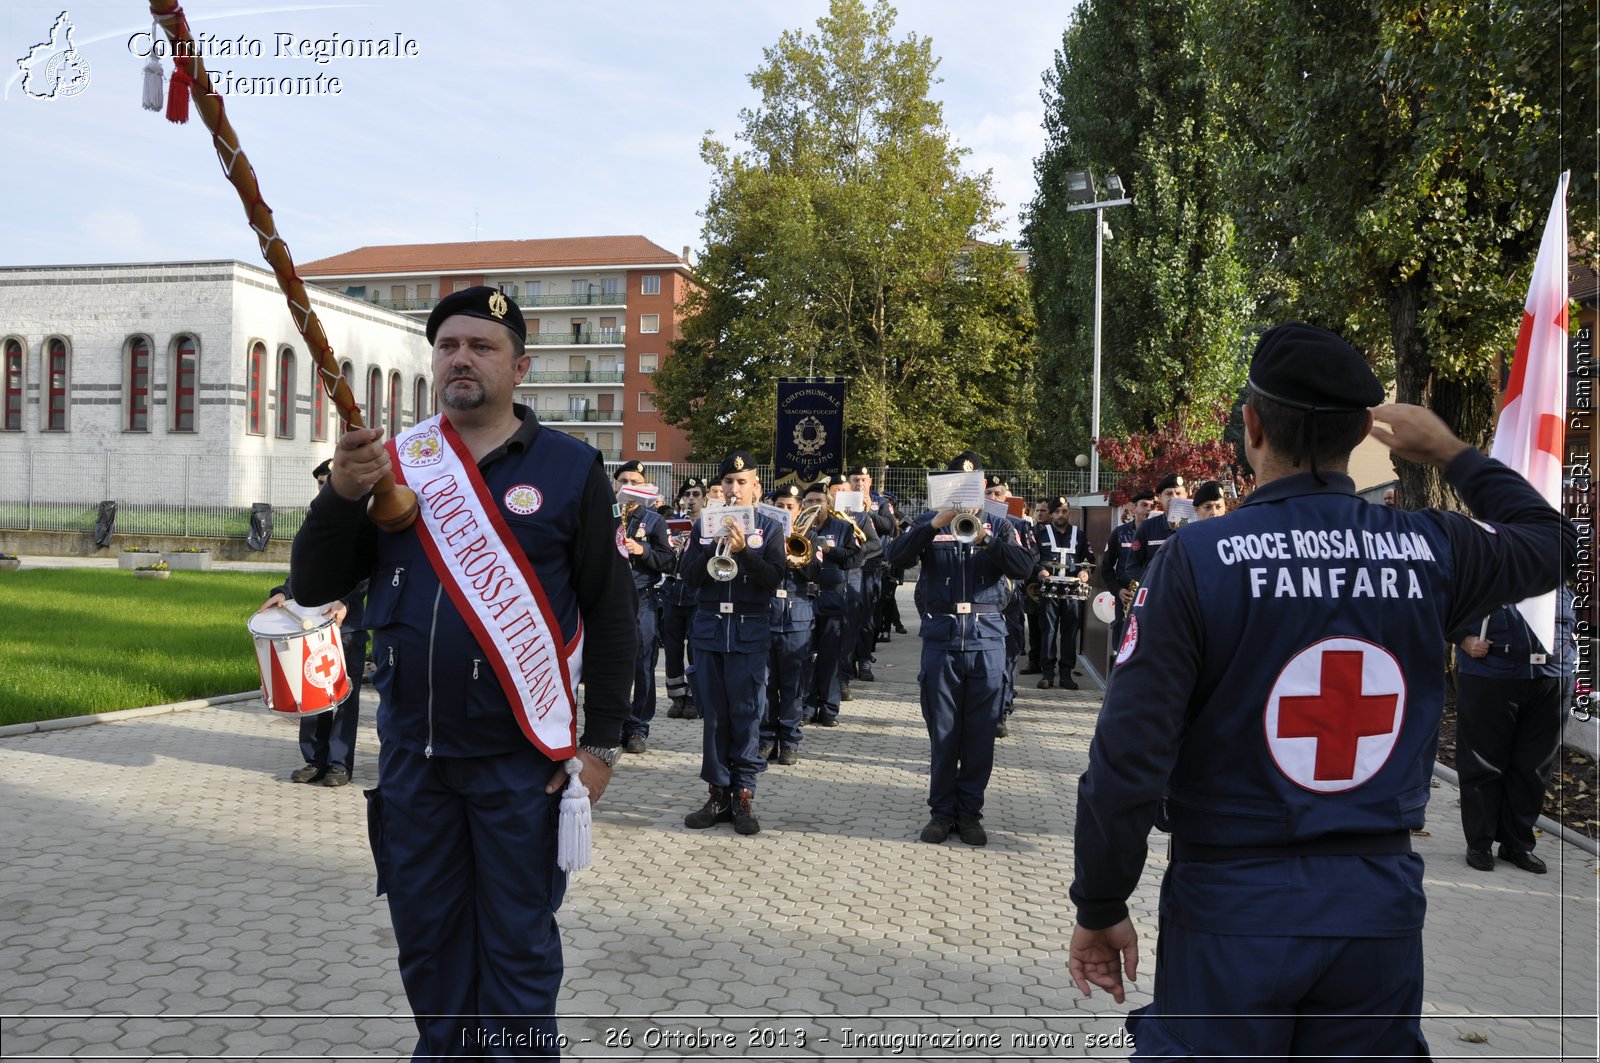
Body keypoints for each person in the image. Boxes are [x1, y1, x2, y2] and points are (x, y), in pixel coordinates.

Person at [1067, 321, 1574, 1057]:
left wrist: (1102, 898)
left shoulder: (1199, 561)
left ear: (1252, 425)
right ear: (1362, 435)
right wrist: (1452, 451)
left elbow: (1129, 756)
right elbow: (1556, 542)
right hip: (1377, 910)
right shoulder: (1430, 548)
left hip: (1230, 906)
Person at [288, 285, 637, 1058]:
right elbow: (313, 586)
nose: (462, 359)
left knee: (517, 960)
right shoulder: (396, 466)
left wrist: (603, 744)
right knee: (432, 955)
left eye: (482, 346)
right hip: (416, 762)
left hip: (523, 767)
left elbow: (614, 616)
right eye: (448, 345)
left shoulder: (572, 469)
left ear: (520, 365)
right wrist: (342, 494)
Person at [887, 450, 1034, 846]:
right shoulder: (927, 524)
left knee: (980, 734)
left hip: (987, 639)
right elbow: (894, 557)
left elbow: (1024, 567)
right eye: (955, 483)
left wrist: (985, 537)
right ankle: (941, 813)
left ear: (983, 487)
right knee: (943, 732)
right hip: (942, 638)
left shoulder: (1001, 526)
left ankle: (969, 814)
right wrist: (933, 525)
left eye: (972, 484)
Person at [680, 450, 785, 835]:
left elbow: (774, 577)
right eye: (728, 482)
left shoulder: (770, 528)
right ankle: (717, 792)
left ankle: (743, 793)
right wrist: (712, 544)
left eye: (742, 482)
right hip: (709, 629)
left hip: (748, 630)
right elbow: (690, 576)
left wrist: (744, 552)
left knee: (746, 713)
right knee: (714, 716)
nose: (734, 488)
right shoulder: (704, 524)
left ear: (756, 486)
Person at [1453, 587, 1577, 874]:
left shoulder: (1559, 559)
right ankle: (1479, 843)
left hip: (1552, 677)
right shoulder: (1485, 557)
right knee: (1483, 763)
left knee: (1534, 767)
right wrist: (1462, 638)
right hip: (1491, 673)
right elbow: (1443, 598)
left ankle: (1517, 844)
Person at [260, 459, 368, 788]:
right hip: (310, 623)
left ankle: (339, 763)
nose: (324, 489)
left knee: (342, 695)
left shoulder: (363, 519)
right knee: (310, 689)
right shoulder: (318, 523)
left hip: (344, 626)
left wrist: (347, 602)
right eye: (321, 483)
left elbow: (368, 570)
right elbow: (304, 569)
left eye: (330, 482)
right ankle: (313, 760)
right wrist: (282, 593)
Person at [614, 461, 676, 755]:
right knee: (610, 666)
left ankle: (637, 727)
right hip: (610, 599)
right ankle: (611, 725)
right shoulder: (602, 514)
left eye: (635, 481)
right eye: (623, 480)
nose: (629, 485)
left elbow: (668, 561)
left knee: (643, 666)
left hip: (642, 599)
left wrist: (642, 550)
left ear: (644, 488)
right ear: (615, 486)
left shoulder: (654, 521)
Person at [761, 482, 820, 764]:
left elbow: (814, 573)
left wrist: (797, 554)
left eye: (790, 507)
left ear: (799, 511)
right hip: (767, 615)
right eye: (780, 506)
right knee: (766, 683)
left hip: (797, 617)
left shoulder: (812, 537)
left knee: (793, 684)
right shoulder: (760, 536)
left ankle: (790, 740)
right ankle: (766, 737)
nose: (785, 510)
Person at [801, 479, 865, 727]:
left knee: (830, 657)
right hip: (805, 599)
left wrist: (829, 550)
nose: (814, 505)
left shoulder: (842, 527)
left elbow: (855, 558)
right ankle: (806, 707)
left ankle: (829, 708)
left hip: (832, 598)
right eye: (809, 501)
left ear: (828, 503)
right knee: (805, 657)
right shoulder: (798, 527)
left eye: (818, 501)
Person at [984, 474, 1036, 736]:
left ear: (1007, 497)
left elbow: (1030, 561)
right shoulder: (973, 523)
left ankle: (1002, 711)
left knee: (1008, 657)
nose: (993, 498)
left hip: (1010, 601)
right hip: (984, 600)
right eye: (989, 494)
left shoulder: (1019, 526)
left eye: (998, 494)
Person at [1034, 496, 1093, 691]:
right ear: (1051, 514)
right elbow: (1031, 559)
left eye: (1064, 511)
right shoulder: (1040, 534)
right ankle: (1047, 674)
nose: (1061, 515)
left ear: (1069, 512)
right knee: (1048, 631)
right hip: (1049, 591)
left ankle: (1066, 675)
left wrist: (1086, 572)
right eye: (1057, 511)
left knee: (1070, 632)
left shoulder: (1079, 534)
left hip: (1073, 591)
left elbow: (1088, 558)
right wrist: (1039, 572)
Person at [663, 477, 707, 720]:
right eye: (687, 495)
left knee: (695, 647)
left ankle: (693, 697)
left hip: (696, 593)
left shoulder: (709, 524)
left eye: (696, 494)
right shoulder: (673, 523)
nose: (691, 499)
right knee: (671, 648)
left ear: (704, 498)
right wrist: (674, 547)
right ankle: (677, 696)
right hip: (673, 590)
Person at [1099, 490, 1154, 653]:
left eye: (1152, 506)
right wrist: (1118, 590)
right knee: (1122, 643)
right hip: (1126, 595)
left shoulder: (1160, 534)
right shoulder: (1119, 533)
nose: (1148, 510)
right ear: (1133, 509)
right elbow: (1106, 568)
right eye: (1144, 505)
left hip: (1151, 593)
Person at [1127, 473, 1188, 582]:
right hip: (1158, 595)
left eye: (1178, 493)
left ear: (1186, 495)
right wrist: (1154, 581)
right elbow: (1132, 567)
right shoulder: (1147, 527)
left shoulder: (1197, 527)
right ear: (1160, 498)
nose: (1174, 498)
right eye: (1168, 494)